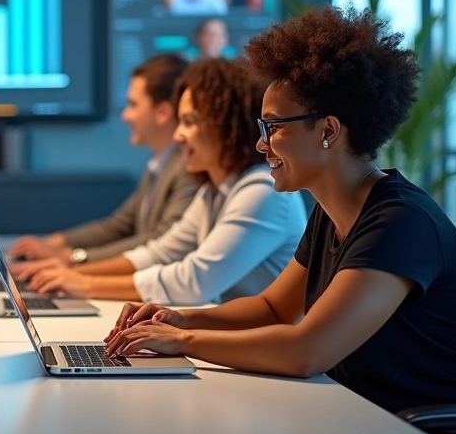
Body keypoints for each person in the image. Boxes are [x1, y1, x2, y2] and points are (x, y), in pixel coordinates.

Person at [104, 6, 456, 434]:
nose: (261, 143)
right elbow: (271, 309)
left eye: (273, 127)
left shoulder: (401, 222)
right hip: (373, 430)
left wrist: (181, 340)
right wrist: (177, 316)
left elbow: (307, 351)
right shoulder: (332, 212)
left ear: (327, 130)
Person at [16, 58, 306, 305]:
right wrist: (73, 275)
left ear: (225, 124)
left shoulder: (262, 190)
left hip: (265, 346)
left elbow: (194, 280)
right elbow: (159, 253)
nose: (178, 135)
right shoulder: (214, 192)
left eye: (189, 122)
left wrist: (85, 283)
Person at [8, 54, 199, 270]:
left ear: (163, 112)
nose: (125, 115)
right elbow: (120, 225)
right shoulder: (160, 163)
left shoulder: (187, 168)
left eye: (133, 105)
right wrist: (54, 243)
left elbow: (161, 242)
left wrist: (72, 258)